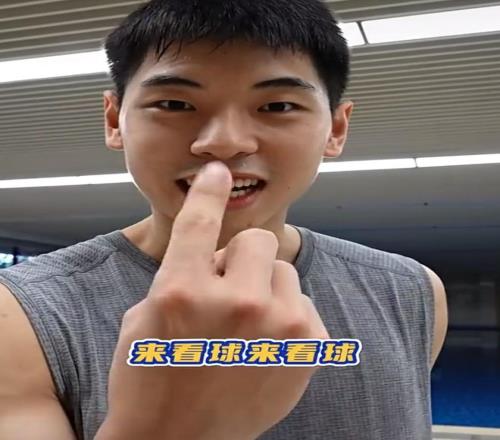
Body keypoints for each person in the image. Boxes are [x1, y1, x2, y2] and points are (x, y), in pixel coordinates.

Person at [0, 0, 448, 439]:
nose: (225, 143)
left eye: (278, 106)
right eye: (174, 104)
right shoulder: (22, 313)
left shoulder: (411, 291)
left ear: (335, 129)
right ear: (115, 120)